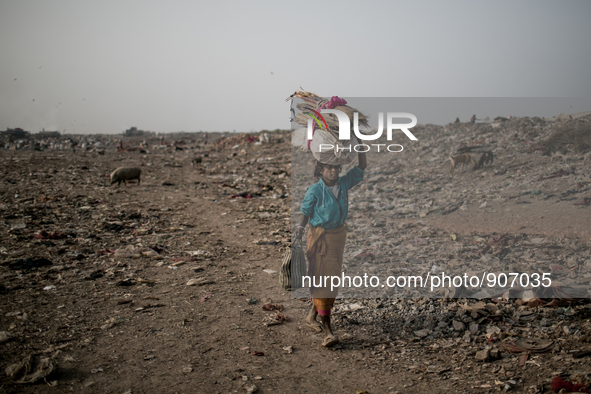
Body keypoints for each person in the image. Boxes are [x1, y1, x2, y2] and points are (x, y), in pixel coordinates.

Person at [294, 151, 367, 347]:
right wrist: (300, 228)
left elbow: (361, 167)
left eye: (336, 167)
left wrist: (360, 145)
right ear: (321, 170)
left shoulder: (343, 184)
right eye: (329, 168)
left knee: (332, 279)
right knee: (323, 280)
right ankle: (328, 332)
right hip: (320, 238)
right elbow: (305, 212)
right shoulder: (314, 190)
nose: (333, 171)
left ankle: (312, 316)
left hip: (337, 238)